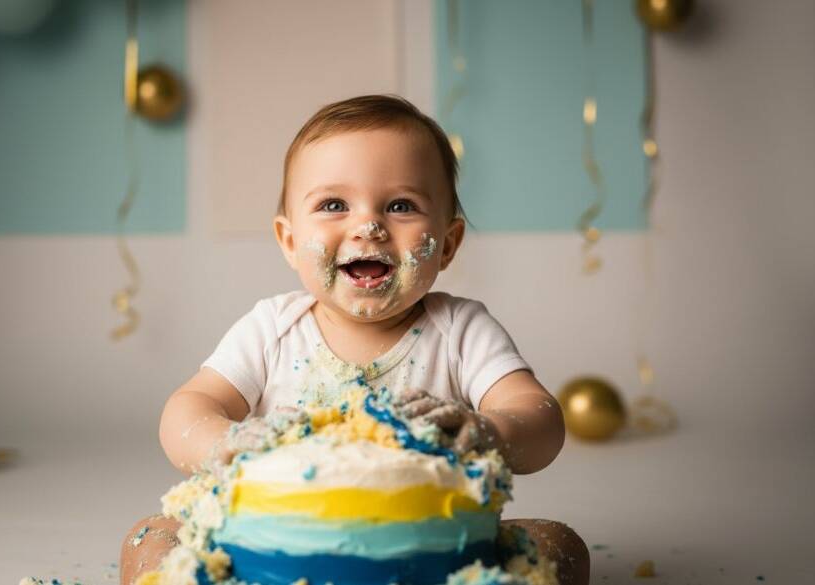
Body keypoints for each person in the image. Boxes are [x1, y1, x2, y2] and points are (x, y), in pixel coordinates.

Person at [120, 94, 590, 585]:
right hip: (267, 549)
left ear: (447, 244)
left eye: (401, 206)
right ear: (288, 240)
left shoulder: (461, 330)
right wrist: (226, 442)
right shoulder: (271, 329)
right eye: (333, 205)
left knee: (556, 541)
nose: (368, 227)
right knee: (152, 536)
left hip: (430, 553)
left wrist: (487, 432)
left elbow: (541, 420)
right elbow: (188, 409)